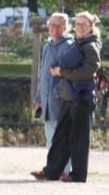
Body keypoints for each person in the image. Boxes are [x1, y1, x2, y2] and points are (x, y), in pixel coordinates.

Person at [32, 12, 101, 183]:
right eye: (77, 23)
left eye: (84, 24)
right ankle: (51, 171)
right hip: (71, 96)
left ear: (91, 26)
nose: (79, 27)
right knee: (60, 136)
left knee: (78, 139)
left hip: (82, 97)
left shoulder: (91, 45)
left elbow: (89, 71)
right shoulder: (79, 42)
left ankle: (77, 175)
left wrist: (62, 72)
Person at [35, 13, 75, 179]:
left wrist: (57, 93)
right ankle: (53, 169)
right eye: (52, 25)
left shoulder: (69, 46)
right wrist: (38, 99)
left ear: (66, 27)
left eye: (58, 25)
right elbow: (43, 74)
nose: (54, 28)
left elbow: (69, 74)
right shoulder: (47, 46)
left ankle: (65, 171)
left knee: (63, 138)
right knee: (50, 138)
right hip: (47, 100)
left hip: (61, 100)